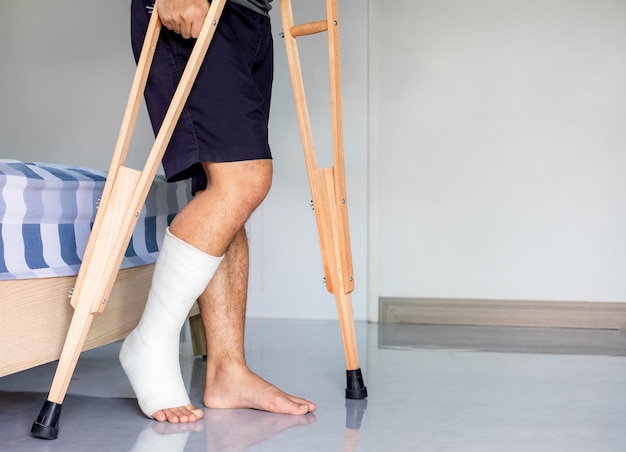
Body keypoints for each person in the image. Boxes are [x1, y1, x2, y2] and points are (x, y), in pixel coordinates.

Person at [119, 0, 317, 423]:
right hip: (197, 8)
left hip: (249, 15)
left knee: (223, 190)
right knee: (244, 179)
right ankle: (149, 342)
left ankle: (228, 372)